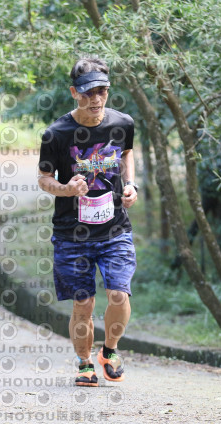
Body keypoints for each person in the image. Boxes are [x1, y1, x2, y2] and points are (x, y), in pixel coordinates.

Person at [37, 57, 138, 387]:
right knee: (83, 304)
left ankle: (109, 351)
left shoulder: (122, 123)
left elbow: (126, 153)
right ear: (74, 93)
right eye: (87, 93)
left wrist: (131, 185)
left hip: (115, 230)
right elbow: (43, 178)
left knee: (119, 295)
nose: (96, 99)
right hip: (72, 235)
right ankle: (84, 363)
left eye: (102, 91)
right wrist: (67, 189)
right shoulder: (56, 134)